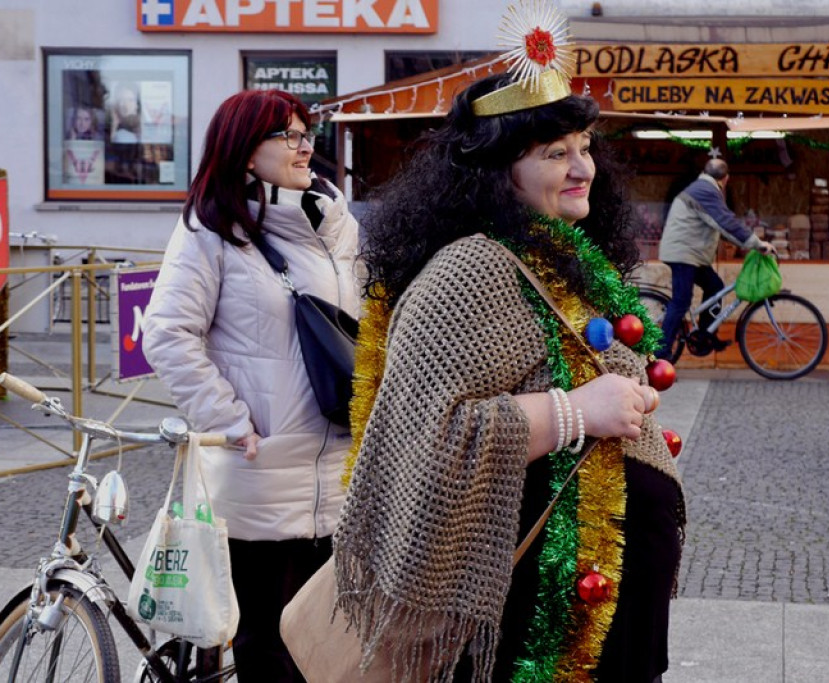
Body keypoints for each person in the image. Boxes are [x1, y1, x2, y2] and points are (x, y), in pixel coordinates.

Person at [331, 67, 685, 682]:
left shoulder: (555, 254)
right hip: (526, 620)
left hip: (601, 604)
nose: (583, 169)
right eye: (556, 153)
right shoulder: (468, 270)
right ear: (500, 170)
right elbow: (424, 437)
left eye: (584, 148)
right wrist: (576, 412)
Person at [142, 89, 361, 682]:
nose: (303, 146)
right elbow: (166, 334)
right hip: (259, 478)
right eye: (286, 136)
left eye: (305, 133)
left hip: (338, 479)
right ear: (244, 151)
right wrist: (231, 420)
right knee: (272, 653)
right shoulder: (210, 229)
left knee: (330, 649)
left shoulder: (338, 229)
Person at [657, 158, 775, 359]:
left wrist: (746, 243)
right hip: (683, 254)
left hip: (690, 253)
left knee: (715, 287)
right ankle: (660, 354)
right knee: (681, 301)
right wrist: (757, 243)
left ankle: (705, 335)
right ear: (726, 179)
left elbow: (720, 225)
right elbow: (726, 222)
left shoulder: (702, 187)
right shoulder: (706, 191)